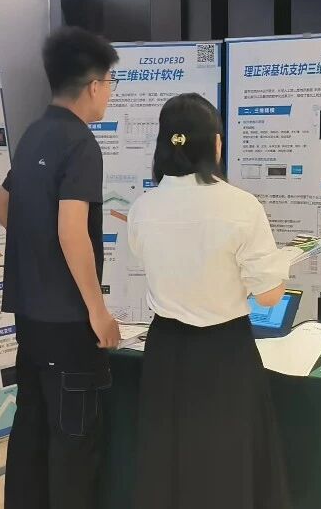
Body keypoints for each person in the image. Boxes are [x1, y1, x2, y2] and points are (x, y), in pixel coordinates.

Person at [125, 93, 293, 509]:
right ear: (215, 144)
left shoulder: (143, 208)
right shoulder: (241, 206)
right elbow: (269, 295)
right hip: (224, 351)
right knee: (226, 462)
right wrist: (284, 263)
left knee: (167, 460)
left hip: (166, 349)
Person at [0, 27, 120, 509]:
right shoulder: (81, 143)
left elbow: (1, 206)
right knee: (74, 441)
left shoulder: (34, 134)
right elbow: (71, 231)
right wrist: (98, 311)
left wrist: (38, 250)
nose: (109, 93)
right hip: (68, 321)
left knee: (32, 431)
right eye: (110, 83)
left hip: (30, 315)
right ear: (94, 85)